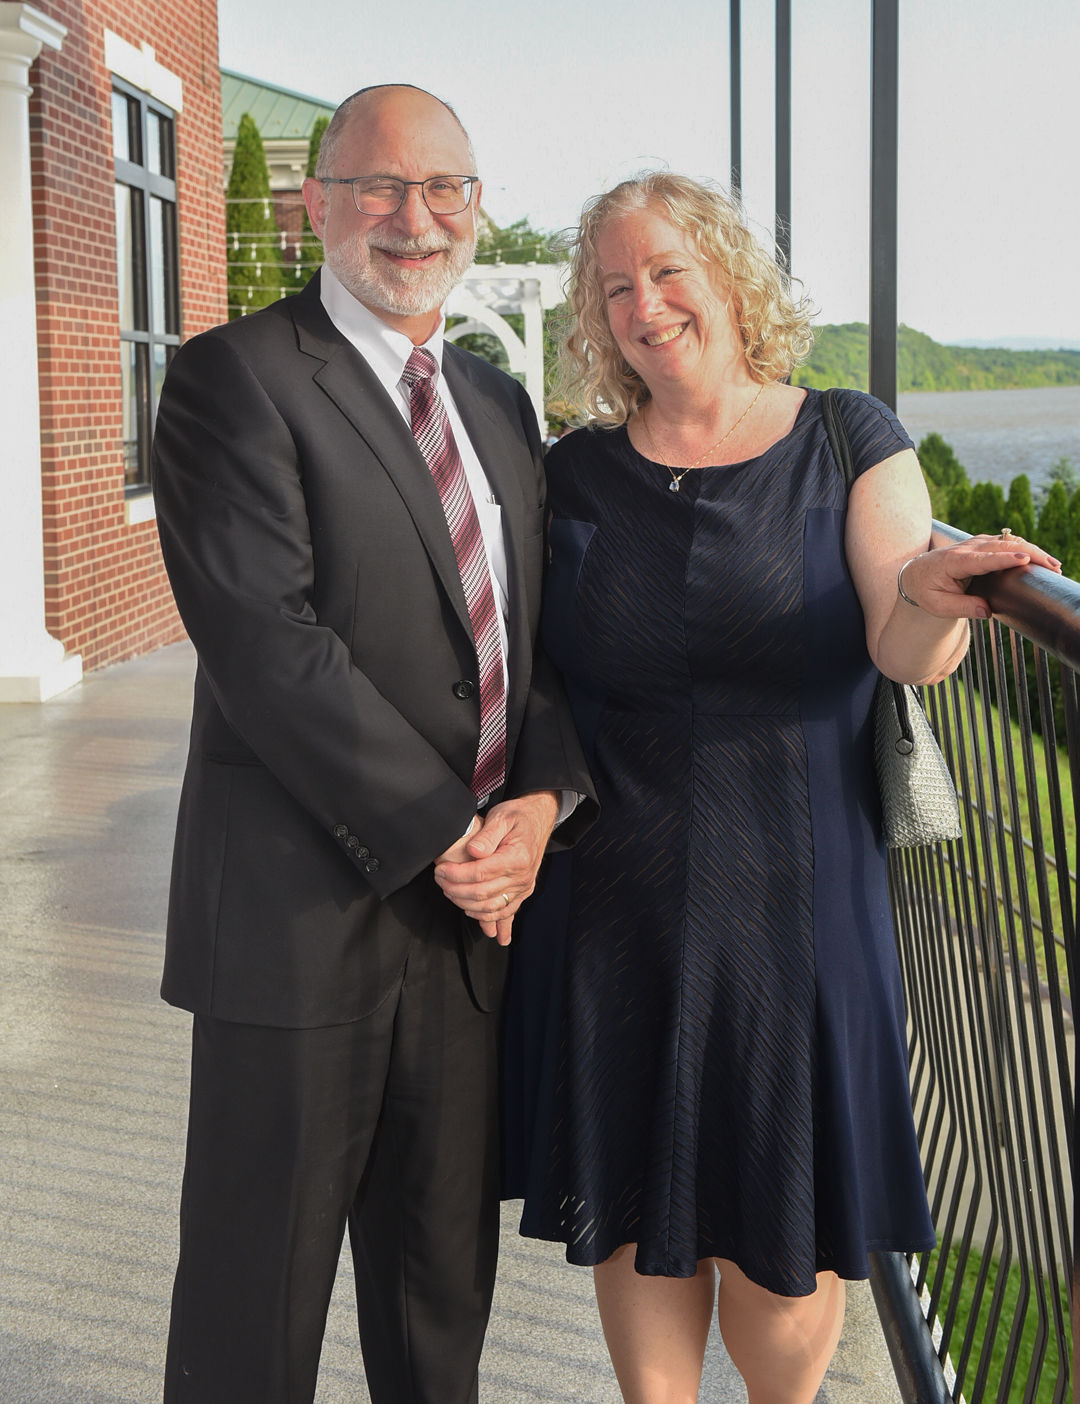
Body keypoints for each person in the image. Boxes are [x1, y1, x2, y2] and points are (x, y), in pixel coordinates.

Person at [501, 172, 1061, 1404]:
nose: (646, 305)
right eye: (616, 287)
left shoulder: (849, 435)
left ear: (731, 278)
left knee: (784, 1216)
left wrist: (935, 594)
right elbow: (525, 667)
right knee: (637, 1201)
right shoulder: (574, 471)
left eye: (668, 272)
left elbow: (903, 643)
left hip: (798, 890)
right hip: (616, 890)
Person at [151, 83, 594, 1404]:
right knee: (252, 1311)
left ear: (476, 206)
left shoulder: (498, 402)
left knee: (438, 1302)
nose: (416, 217)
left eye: (445, 188)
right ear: (316, 207)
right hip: (295, 924)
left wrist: (542, 804)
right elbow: (269, 646)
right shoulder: (233, 379)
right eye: (380, 188)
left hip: (465, 937)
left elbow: (529, 640)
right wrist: (452, 833)